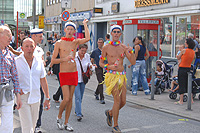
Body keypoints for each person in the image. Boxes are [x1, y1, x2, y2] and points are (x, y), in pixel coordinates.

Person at [51, 19, 90, 131]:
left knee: (70, 99)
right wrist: (64, 59)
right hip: (63, 73)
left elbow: (87, 38)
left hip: (74, 73)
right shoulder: (59, 43)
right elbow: (53, 60)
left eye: (71, 29)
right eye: (68, 29)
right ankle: (59, 118)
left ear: (74, 31)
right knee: (66, 98)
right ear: (64, 30)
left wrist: (85, 25)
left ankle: (67, 122)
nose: (69, 31)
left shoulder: (75, 42)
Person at [99, 25, 136, 132]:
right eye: (114, 31)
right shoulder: (106, 47)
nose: (116, 33)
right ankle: (115, 125)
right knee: (117, 100)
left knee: (123, 102)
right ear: (111, 33)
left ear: (120, 34)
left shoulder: (123, 47)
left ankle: (110, 113)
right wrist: (108, 66)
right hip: (111, 76)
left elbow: (133, 62)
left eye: (118, 32)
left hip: (121, 75)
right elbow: (101, 63)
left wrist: (131, 51)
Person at [15, 38, 50, 133]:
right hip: (22, 97)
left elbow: (43, 80)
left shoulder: (39, 62)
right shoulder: (16, 62)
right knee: (27, 128)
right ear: (22, 48)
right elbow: (12, 80)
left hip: (36, 97)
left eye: (31, 46)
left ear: (35, 48)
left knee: (33, 126)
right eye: (27, 46)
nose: (29, 49)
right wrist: (17, 93)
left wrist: (47, 98)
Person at [0, 25, 22, 133]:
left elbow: (15, 76)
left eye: (11, 35)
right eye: (8, 35)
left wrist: (18, 95)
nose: (11, 37)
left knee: (8, 122)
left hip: (8, 91)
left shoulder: (10, 54)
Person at [74, 44, 95, 121]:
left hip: (83, 79)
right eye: (82, 50)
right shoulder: (74, 56)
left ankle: (77, 110)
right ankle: (79, 114)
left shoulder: (87, 56)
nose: (83, 52)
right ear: (78, 49)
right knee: (78, 96)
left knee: (81, 96)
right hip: (75, 79)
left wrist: (91, 67)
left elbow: (89, 64)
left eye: (85, 51)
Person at [176, 38, 195, 105]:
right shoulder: (193, 52)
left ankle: (181, 100)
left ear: (188, 44)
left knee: (181, 84)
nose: (185, 43)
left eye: (186, 42)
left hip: (182, 68)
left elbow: (178, 57)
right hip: (189, 68)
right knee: (189, 84)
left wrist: (179, 53)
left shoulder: (184, 50)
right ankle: (191, 99)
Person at [91, 38, 105, 104]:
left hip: (105, 67)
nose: (100, 43)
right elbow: (92, 60)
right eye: (99, 42)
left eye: (101, 42)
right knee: (101, 82)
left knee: (102, 81)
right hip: (98, 67)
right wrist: (92, 67)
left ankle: (96, 92)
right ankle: (102, 98)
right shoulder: (95, 51)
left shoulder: (105, 51)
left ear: (103, 43)